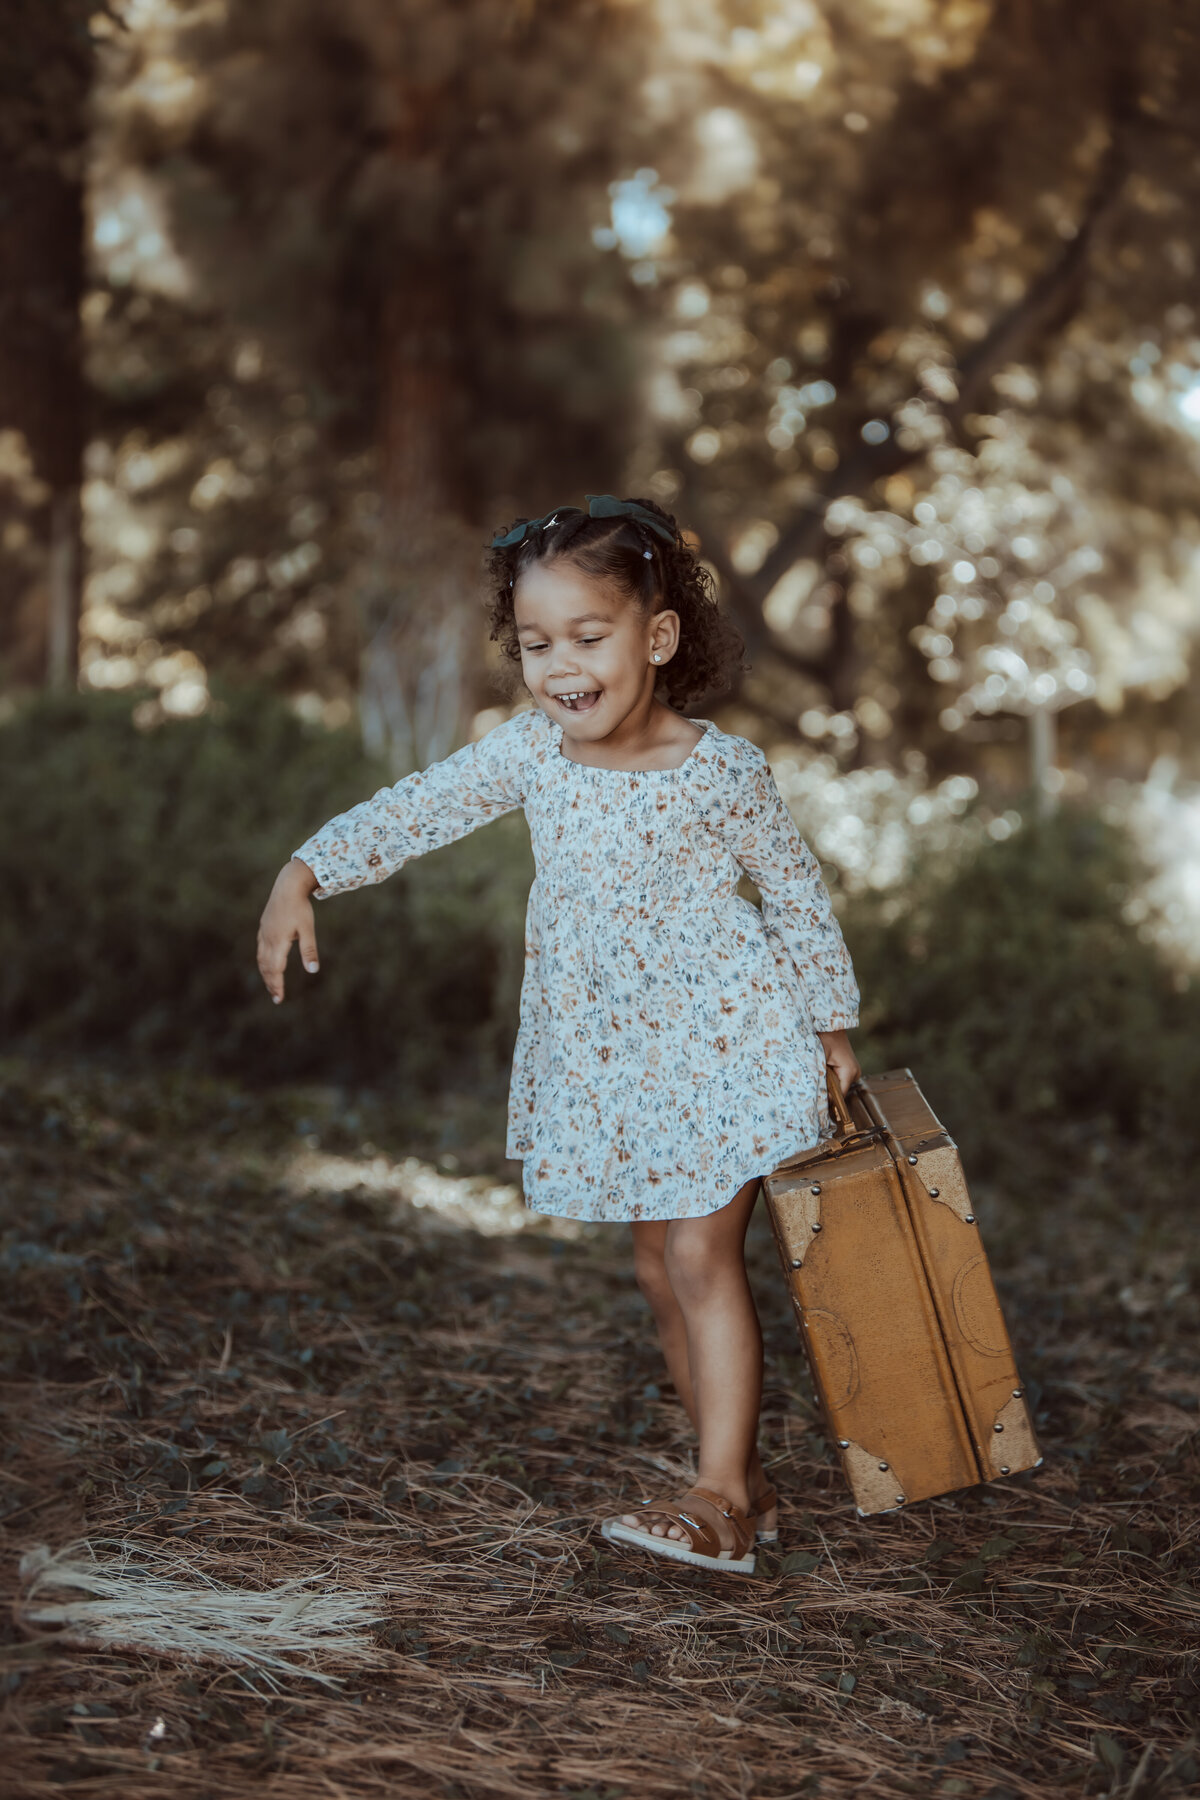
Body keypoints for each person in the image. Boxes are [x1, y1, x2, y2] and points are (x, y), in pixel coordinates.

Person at [256, 494, 860, 1577]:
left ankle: (719, 1499)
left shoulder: (720, 769)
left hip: (730, 1045)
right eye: (537, 644)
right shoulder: (533, 753)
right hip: (615, 1061)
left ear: (657, 638)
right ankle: (743, 1481)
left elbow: (795, 891)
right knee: (657, 1268)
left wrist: (831, 1023)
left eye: (588, 636)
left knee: (699, 1254)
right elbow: (419, 806)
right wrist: (307, 869)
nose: (561, 666)